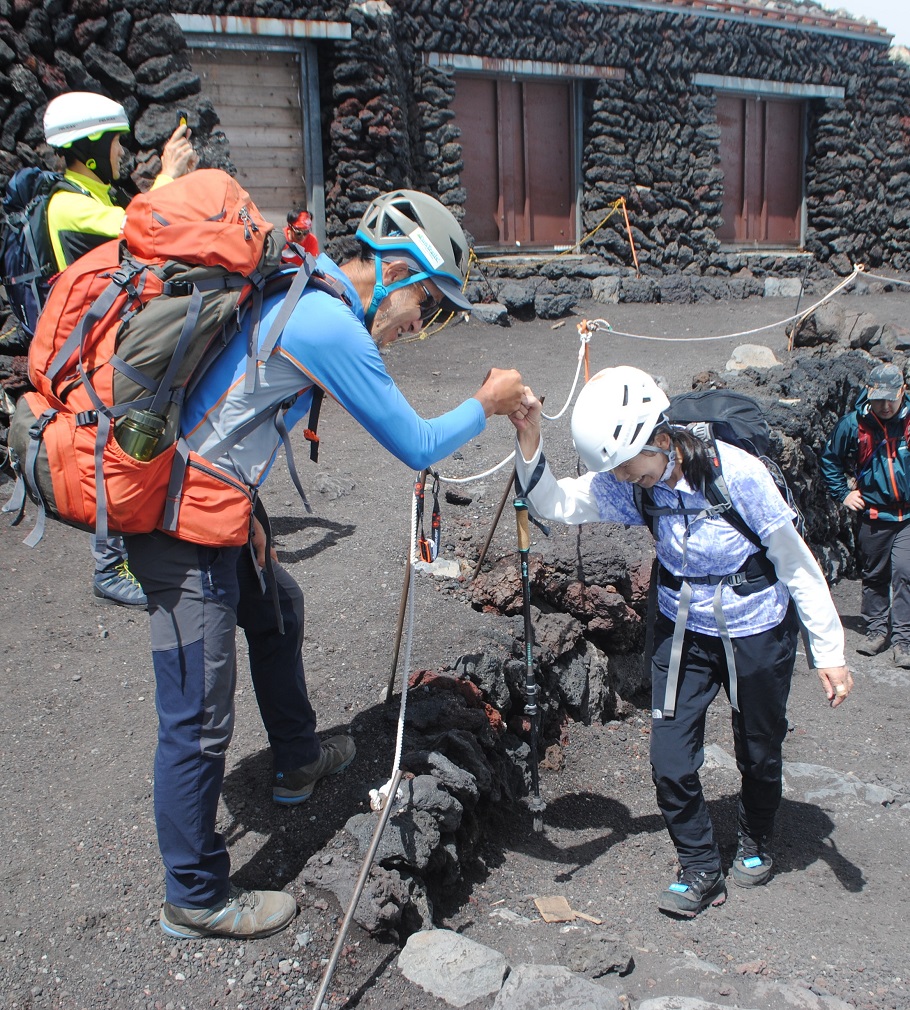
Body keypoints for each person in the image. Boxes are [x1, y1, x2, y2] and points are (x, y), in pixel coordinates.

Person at [122, 189, 525, 940]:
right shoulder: (330, 324)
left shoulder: (307, 288)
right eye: (428, 305)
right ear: (397, 270)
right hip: (174, 522)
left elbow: (233, 411)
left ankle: (297, 760)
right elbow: (419, 446)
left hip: (214, 502)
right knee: (198, 716)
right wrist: (489, 401)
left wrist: (250, 516)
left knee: (280, 608)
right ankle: (195, 894)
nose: (421, 325)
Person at [508, 366, 852, 918]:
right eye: (615, 471)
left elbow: (795, 562)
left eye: (630, 467)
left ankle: (756, 837)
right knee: (668, 757)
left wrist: (829, 652)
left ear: (662, 440)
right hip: (682, 625)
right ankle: (699, 867)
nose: (623, 479)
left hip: (756, 627)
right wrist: (530, 442)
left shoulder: (736, 475)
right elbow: (557, 504)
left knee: (759, 749)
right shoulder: (632, 484)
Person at [43, 91, 198, 606]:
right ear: (90, 148)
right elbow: (141, 229)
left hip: (99, 337)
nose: (120, 154)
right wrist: (170, 172)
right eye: (114, 143)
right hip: (81, 348)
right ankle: (109, 568)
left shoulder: (93, 199)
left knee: (125, 429)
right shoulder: (67, 206)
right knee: (107, 432)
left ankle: (132, 541)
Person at [820, 361, 910, 667]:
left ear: (903, 391)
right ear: (868, 392)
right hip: (873, 514)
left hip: (908, 516)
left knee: (905, 573)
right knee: (874, 575)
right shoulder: (852, 424)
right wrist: (843, 494)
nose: (885, 405)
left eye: (891, 398)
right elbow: (830, 459)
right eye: (878, 397)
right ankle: (876, 630)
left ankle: (902, 640)